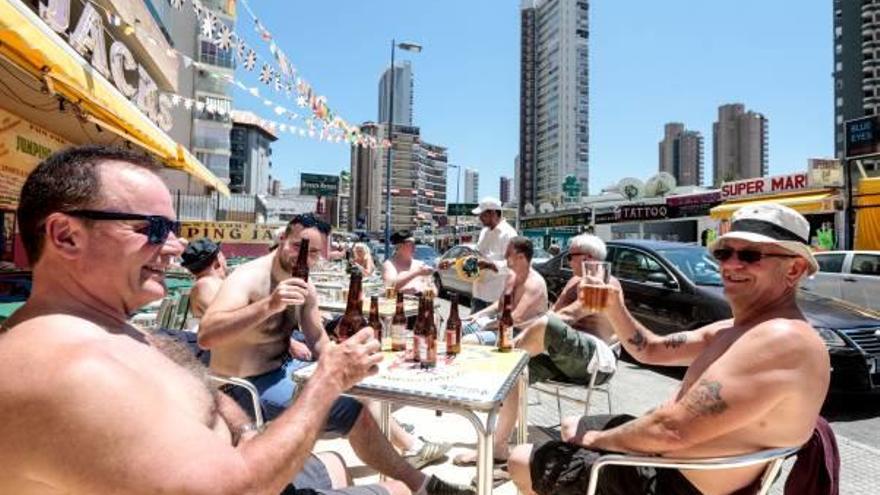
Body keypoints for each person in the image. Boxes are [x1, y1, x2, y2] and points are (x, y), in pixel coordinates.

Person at [0, 145, 403, 495]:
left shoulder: (111, 329)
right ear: (66, 236)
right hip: (241, 484)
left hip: (237, 462)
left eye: (173, 229)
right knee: (399, 488)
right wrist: (327, 381)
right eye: (153, 229)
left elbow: (202, 390)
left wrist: (246, 434)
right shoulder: (71, 372)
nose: (176, 246)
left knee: (334, 461)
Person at [508, 203, 831, 495]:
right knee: (571, 425)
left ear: (794, 269)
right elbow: (652, 350)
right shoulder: (737, 329)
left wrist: (596, 443)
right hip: (671, 459)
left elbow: (670, 430)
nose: (732, 265)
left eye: (750, 255)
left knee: (521, 458)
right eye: (723, 254)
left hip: (674, 482)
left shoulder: (782, 339)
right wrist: (615, 307)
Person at [200, 215, 461, 493]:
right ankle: (421, 485)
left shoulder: (305, 286)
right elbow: (206, 335)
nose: (304, 257)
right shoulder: (249, 277)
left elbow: (317, 339)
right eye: (297, 247)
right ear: (282, 240)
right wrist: (270, 305)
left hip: (282, 373)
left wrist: (348, 362)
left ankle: (413, 469)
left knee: (357, 396)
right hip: (240, 388)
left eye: (313, 253)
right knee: (351, 411)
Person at [453, 234, 615, 470]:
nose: (567, 261)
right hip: (562, 357)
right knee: (516, 374)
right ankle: (498, 446)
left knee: (539, 329)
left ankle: (499, 368)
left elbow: (566, 316)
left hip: (594, 361)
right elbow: (553, 313)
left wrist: (527, 333)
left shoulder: (605, 284)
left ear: (588, 258)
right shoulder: (573, 282)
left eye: (571, 256)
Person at [460, 236, 548, 345]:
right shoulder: (511, 276)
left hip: (518, 332)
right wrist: (479, 315)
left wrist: (487, 326)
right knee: (456, 327)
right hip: (500, 325)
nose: (505, 256)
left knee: (468, 341)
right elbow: (500, 303)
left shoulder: (534, 284)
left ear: (520, 257)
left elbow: (516, 318)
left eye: (508, 253)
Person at [469, 197, 517, 312]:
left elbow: (514, 264)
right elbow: (478, 252)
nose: (479, 218)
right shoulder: (484, 232)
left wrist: (489, 265)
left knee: (494, 329)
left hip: (496, 297)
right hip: (478, 293)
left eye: (482, 214)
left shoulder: (509, 234)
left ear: (494, 213)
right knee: (473, 327)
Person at [180, 237, 228, 319]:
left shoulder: (205, 284)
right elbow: (224, 321)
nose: (225, 260)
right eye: (223, 256)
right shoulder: (206, 284)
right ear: (217, 260)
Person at [383, 230, 437, 295]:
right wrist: (417, 272)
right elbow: (389, 286)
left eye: (415, 244)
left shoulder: (421, 264)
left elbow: (434, 291)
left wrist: (427, 291)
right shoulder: (390, 264)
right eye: (410, 244)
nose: (414, 247)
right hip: (399, 303)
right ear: (399, 246)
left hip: (421, 302)